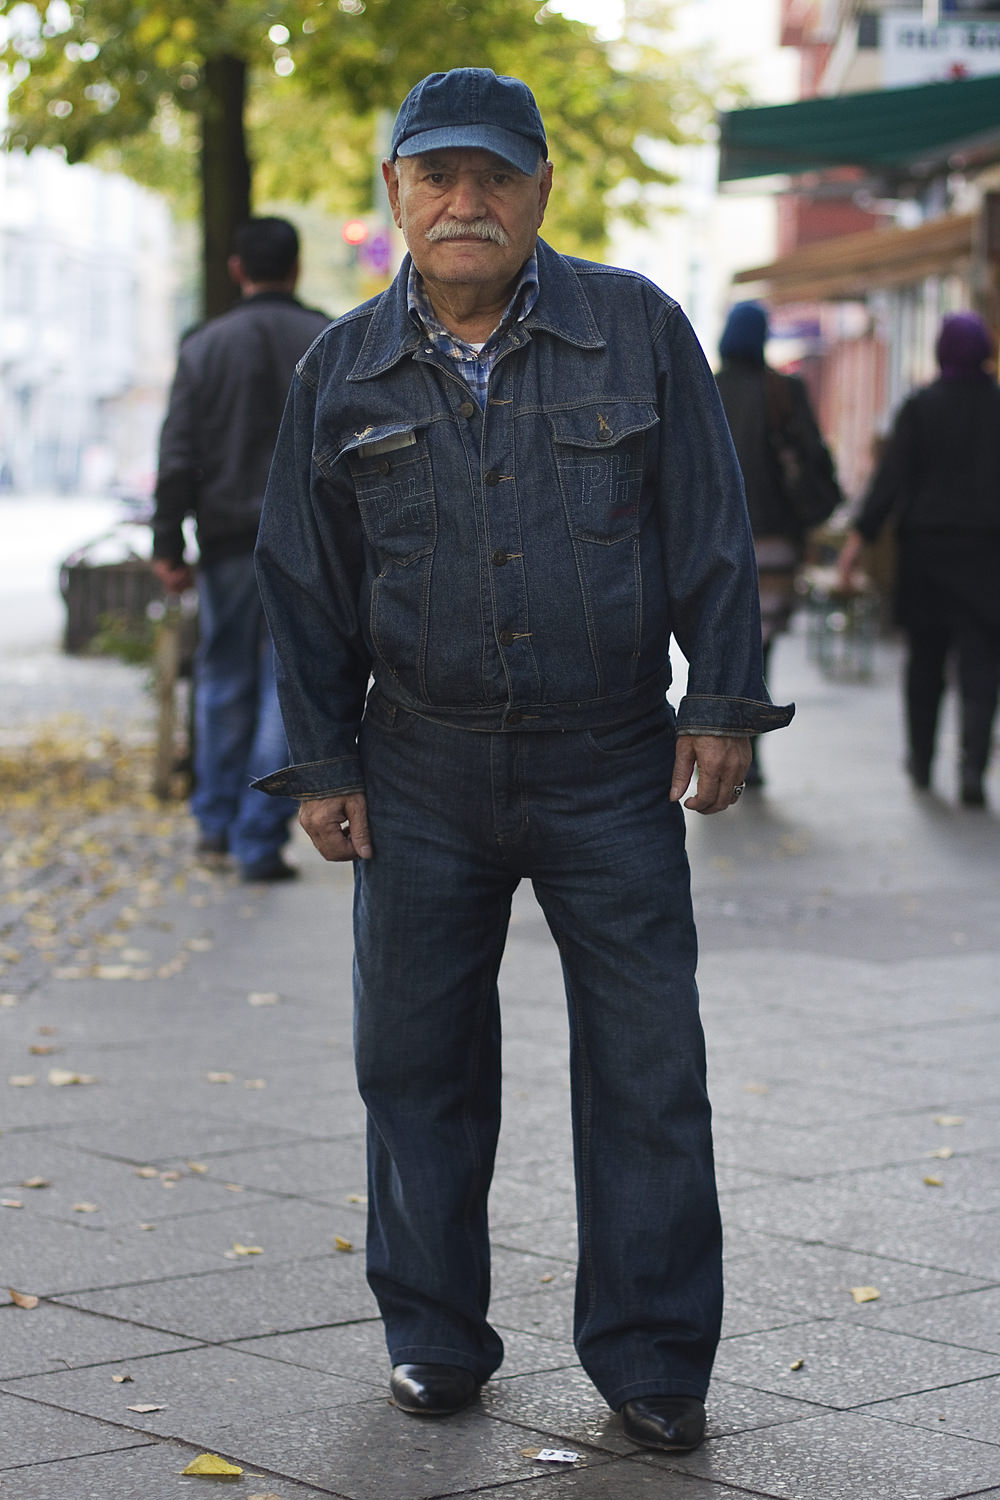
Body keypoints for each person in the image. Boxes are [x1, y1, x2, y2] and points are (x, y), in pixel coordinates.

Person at [253, 69, 793, 1452]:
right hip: (417, 768)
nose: (466, 200)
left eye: (494, 175)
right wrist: (322, 761)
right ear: (395, 195)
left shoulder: (637, 329)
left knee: (650, 1066)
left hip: (611, 762)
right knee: (413, 1063)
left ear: (542, 189)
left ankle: (653, 1357)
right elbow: (303, 580)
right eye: (436, 175)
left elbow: (711, 526)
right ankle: (434, 1334)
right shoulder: (340, 370)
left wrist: (721, 703)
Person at [151, 217, 330, 879]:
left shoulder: (203, 345)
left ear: (235, 269)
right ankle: (260, 839)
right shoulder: (327, 339)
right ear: (297, 266)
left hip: (226, 540)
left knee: (222, 678)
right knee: (289, 688)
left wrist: (168, 542)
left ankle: (215, 825)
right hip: (307, 546)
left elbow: (178, 454)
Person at [837, 312, 1000, 807]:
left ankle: (922, 761)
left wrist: (857, 542)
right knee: (981, 662)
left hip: (926, 554)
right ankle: (972, 770)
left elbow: (890, 481)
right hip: (987, 556)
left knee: (925, 661)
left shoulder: (920, 407)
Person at [715, 300, 839, 785]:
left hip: (714, 538)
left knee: (718, 639)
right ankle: (749, 751)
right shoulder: (783, 391)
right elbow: (813, 458)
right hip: (773, 541)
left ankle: (718, 738)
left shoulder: (707, 387)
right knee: (759, 646)